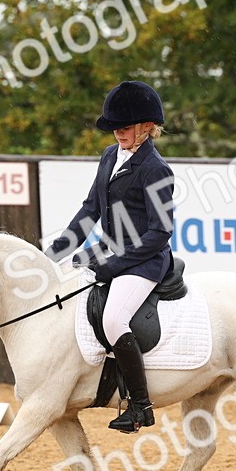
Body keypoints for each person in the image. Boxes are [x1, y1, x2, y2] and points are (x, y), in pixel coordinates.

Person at [44, 80, 176, 434]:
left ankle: (140, 406)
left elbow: (159, 233)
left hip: (145, 261)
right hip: (107, 250)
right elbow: (90, 211)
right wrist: (55, 253)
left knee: (115, 319)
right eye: (115, 125)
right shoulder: (108, 156)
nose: (118, 131)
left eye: (126, 126)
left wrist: (113, 264)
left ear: (147, 127)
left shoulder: (155, 169)